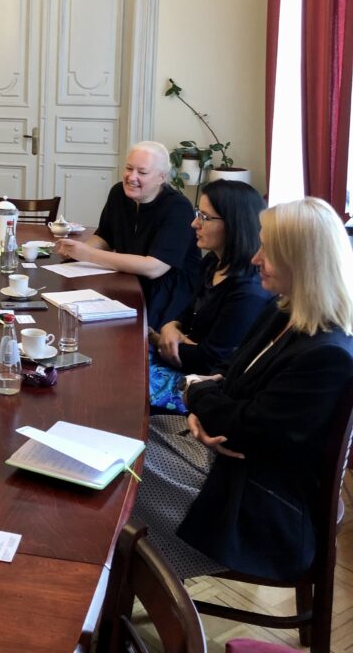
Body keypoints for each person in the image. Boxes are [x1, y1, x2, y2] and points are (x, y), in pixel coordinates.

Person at [134, 197, 353, 581]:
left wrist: (196, 395)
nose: (255, 258)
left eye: (268, 249)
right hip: (224, 457)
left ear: (302, 262)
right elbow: (226, 370)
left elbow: (244, 425)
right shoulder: (284, 309)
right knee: (123, 442)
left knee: (121, 473)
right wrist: (207, 401)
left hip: (257, 500)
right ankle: (119, 587)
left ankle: (127, 588)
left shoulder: (328, 355)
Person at [147, 180, 272, 412]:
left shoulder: (248, 291)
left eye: (205, 217)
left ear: (234, 224)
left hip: (199, 386)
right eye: (198, 214)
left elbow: (207, 361)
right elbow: (186, 312)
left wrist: (156, 338)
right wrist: (171, 327)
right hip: (179, 360)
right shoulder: (213, 261)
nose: (195, 223)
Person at [55, 141, 201, 330]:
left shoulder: (178, 208)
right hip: (126, 281)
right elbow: (106, 237)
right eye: (129, 168)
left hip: (166, 294)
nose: (131, 177)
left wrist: (88, 254)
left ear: (161, 178)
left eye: (142, 172)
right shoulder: (118, 193)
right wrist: (75, 251)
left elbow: (154, 267)